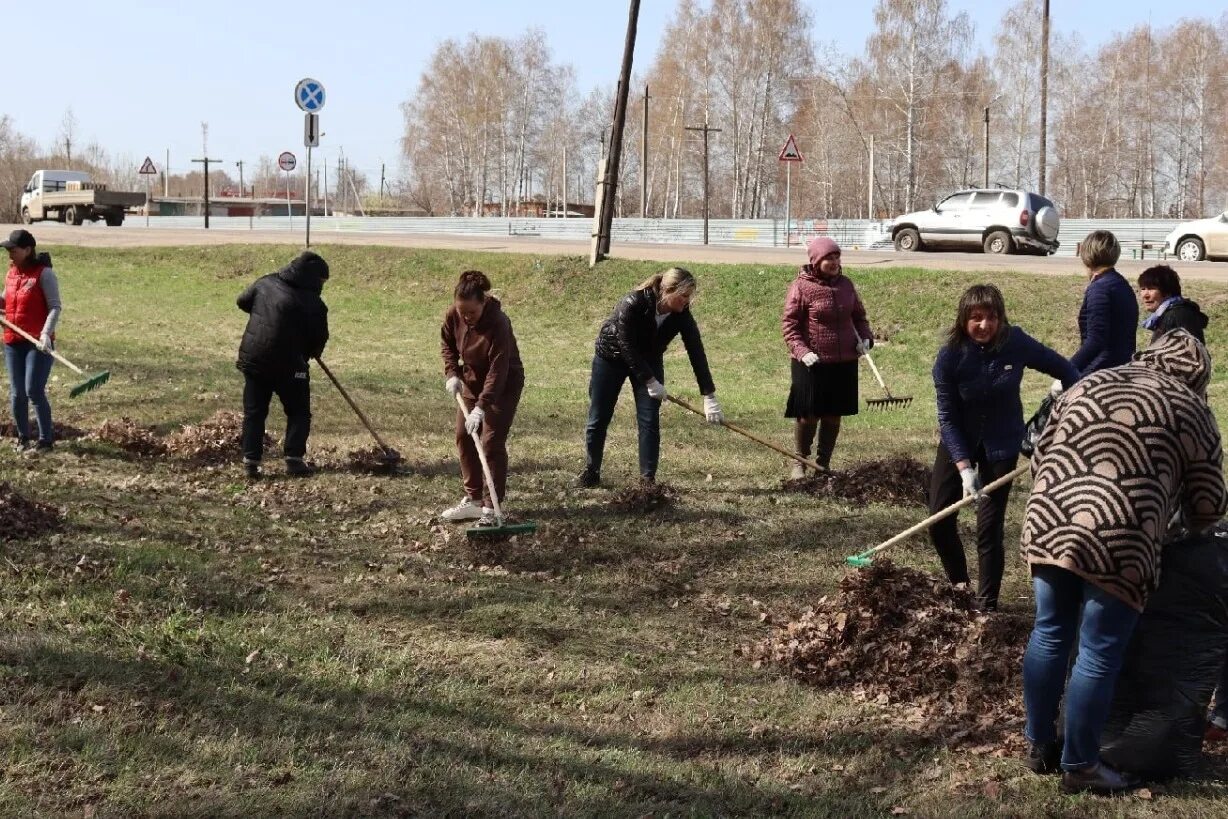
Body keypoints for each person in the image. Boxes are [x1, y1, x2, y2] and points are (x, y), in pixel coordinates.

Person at [1020, 329, 1226, 794]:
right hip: (1121, 535)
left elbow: (1037, 452)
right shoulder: (1191, 407)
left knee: (1049, 631)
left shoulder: (1091, 382)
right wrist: (1175, 520)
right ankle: (1081, 766)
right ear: (1199, 375)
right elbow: (1211, 504)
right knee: (1098, 649)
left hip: (1050, 518)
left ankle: (1037, 743)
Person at [929, 284, 1079, 612]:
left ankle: (986, 606)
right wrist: (965, 469)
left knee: (989, 526)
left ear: (1001, 318)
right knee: (939, 517)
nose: (984, 325)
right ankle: (960, 587)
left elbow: (1068, 371)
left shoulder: (1015, 341)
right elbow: (948, 418)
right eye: (976, 318)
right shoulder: (950, 356)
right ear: (963, 319)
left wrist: (1066, 410)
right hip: (960, 442)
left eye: (992, 317)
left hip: (1002, 443)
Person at [575, 267, 723, 487]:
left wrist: (709, 395)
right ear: (668, 291)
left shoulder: (682, 313)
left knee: (649, 418)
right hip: (612, 358)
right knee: (599, 416)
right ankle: (591, 471)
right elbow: (627, 346)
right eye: (683, 296)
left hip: (649, 359)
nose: (687, 301)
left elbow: (696, 350)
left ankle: (647, 482)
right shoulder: (633, 303)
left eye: (689, 296)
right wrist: (651, 381)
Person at [439, 270, 525, 525]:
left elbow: (499, 370)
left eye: (471, 313)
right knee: (464, 436)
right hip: (471, 380)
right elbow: (447, 343)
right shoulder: (454, 314)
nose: (466, 318)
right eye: (462, 313)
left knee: (490, 443)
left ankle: (490, 507)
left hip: (504, 385)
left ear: (484, 303)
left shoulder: (499, 322)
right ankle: (474, 499)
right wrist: (452, 373)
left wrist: (482, 407)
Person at [781, 236, 872, 477]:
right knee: (808, 414)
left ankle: (823, 464)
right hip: (811, 362)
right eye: (828, 258)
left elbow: (859, 317)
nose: (834, 261)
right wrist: (802, 352)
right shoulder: (801, 287)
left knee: (833, 413)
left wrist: (865, 339)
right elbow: (789, 326)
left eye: (836, 256)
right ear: (816, 261)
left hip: (844, 361)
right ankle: (800, 462)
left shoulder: (846, 285)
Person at [235, 250, 330, 479]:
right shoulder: (314, 304)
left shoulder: (265, 282)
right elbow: (319, 339)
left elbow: (242, 301)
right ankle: (294, 460)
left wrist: (264, 312)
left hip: (255, 359)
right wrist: (308, 352)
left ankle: (251, 463)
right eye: (322, 281)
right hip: (290, 365)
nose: (323, 286)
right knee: (299, 412)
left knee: (254, 413)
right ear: (313, 278)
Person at [1, 229, 60, 456]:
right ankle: (23, 437)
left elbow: (55, 306)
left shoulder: (44, 274)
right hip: (13, 341)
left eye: (13, 251)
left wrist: (46, 334)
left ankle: (46, 440)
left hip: (38, 343)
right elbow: (6, 301)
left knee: (33, 390)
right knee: (17, 393)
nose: (9, 255)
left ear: (27, 250)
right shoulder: (12, 274)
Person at [1069, 230, 1138, 377]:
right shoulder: (1122, 284)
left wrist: (1068, 369)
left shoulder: (1099, 288)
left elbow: (1096, 340)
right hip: (1125, 366)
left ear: (1086, 255)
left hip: (1103, 369)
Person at [1138, 264, 1208, 343]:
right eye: (1143, 289)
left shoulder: (1176, 316)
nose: (1145, 295)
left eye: (1151, 289)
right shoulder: (1169, 314)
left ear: (1168, 291)